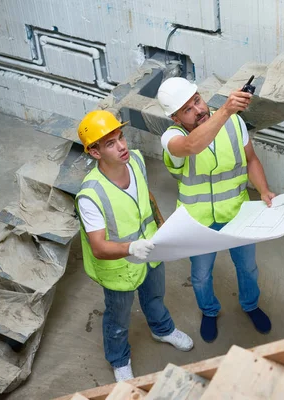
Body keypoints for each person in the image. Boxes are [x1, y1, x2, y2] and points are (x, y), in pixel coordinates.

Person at [74, 110, 193, 382]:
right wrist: (131, 249)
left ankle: (162, 329)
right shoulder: (91, 195)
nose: (122, 146)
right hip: (119, 268)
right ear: (95, 152)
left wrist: (161, 224)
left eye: (121, 137)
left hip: (151, 250)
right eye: (111, 144)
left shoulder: (137, 160)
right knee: (118, 318)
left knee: (154, 296)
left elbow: (146, 194)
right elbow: (98, 247)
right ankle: (119, 360)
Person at [157, 77, 275, 342]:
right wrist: (225, 110)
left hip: (237, 212)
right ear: (176, 119)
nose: (198, 110)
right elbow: (191, 146)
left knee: (248, 269)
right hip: (197, 222)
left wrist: (264, 190)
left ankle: (251, 306)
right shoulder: (172, 138)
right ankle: (209, 311)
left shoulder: (234, 123)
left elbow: (251, 159)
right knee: (200, 277)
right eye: (187, 109)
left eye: (197, 100)